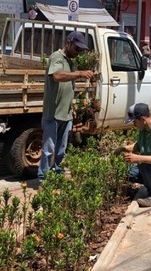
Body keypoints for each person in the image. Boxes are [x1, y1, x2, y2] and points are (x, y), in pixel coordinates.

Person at [38, 31, 95, 182]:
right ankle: (43, 179)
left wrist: (72, 107)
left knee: (62, 149)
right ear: (68, 43)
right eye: (77, 49)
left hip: (66, 114)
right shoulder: (57, 57)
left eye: (81, 50)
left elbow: (69, 87)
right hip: (53, 113)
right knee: (48, 149)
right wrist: (80, 74)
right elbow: (56, 76)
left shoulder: (71, 62)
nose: (79, 53)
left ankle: (59, 176)